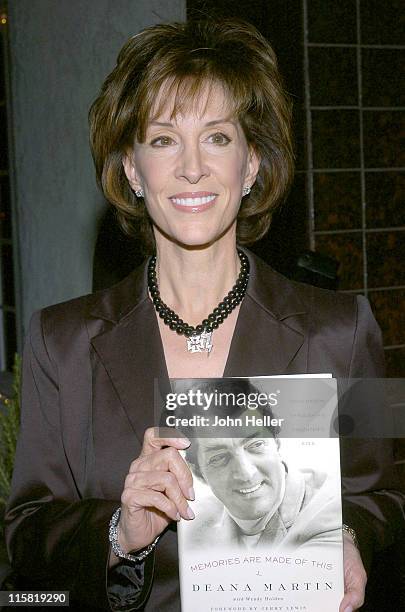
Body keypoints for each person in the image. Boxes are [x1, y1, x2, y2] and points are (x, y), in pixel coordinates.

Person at [4, 18, 404, 612]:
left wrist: (350, 537)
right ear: (132, 170)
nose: (192, 167)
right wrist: (120, 531)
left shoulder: (343, 328)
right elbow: (25, 533)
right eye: (163, 139)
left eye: (217, 137)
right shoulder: (60, 341)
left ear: (251, 166)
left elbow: (387, 491)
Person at [182, 379, 342, 553]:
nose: (246, 473)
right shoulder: (191, 527)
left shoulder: (331, 510)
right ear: (198, 472)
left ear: (277, 443)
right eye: (220, 458)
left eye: (256, 445)